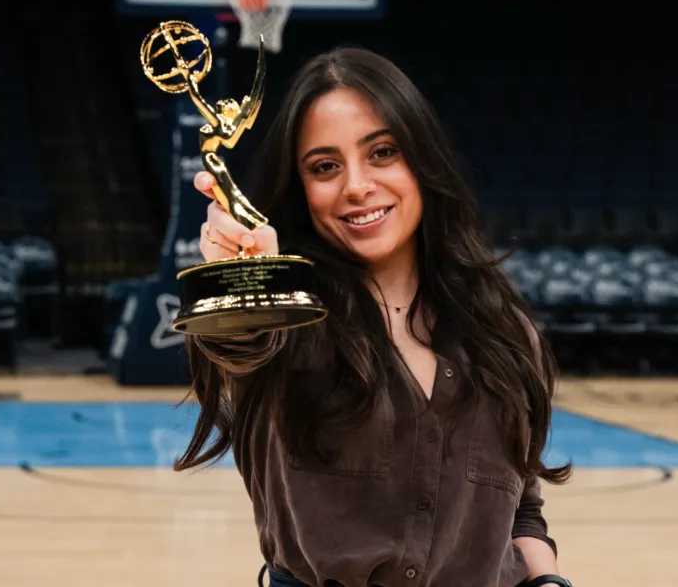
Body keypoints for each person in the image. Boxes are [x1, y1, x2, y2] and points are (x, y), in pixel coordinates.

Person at [176, 46, 573, 587]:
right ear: (301, 189)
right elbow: (240, 344)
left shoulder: (502, 328)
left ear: (422, 158)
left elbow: (520, 507)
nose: (357, 185)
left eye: (382, 152)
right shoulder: (288, 320)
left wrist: (548, 581)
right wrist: (243, 274)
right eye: (325, 166)